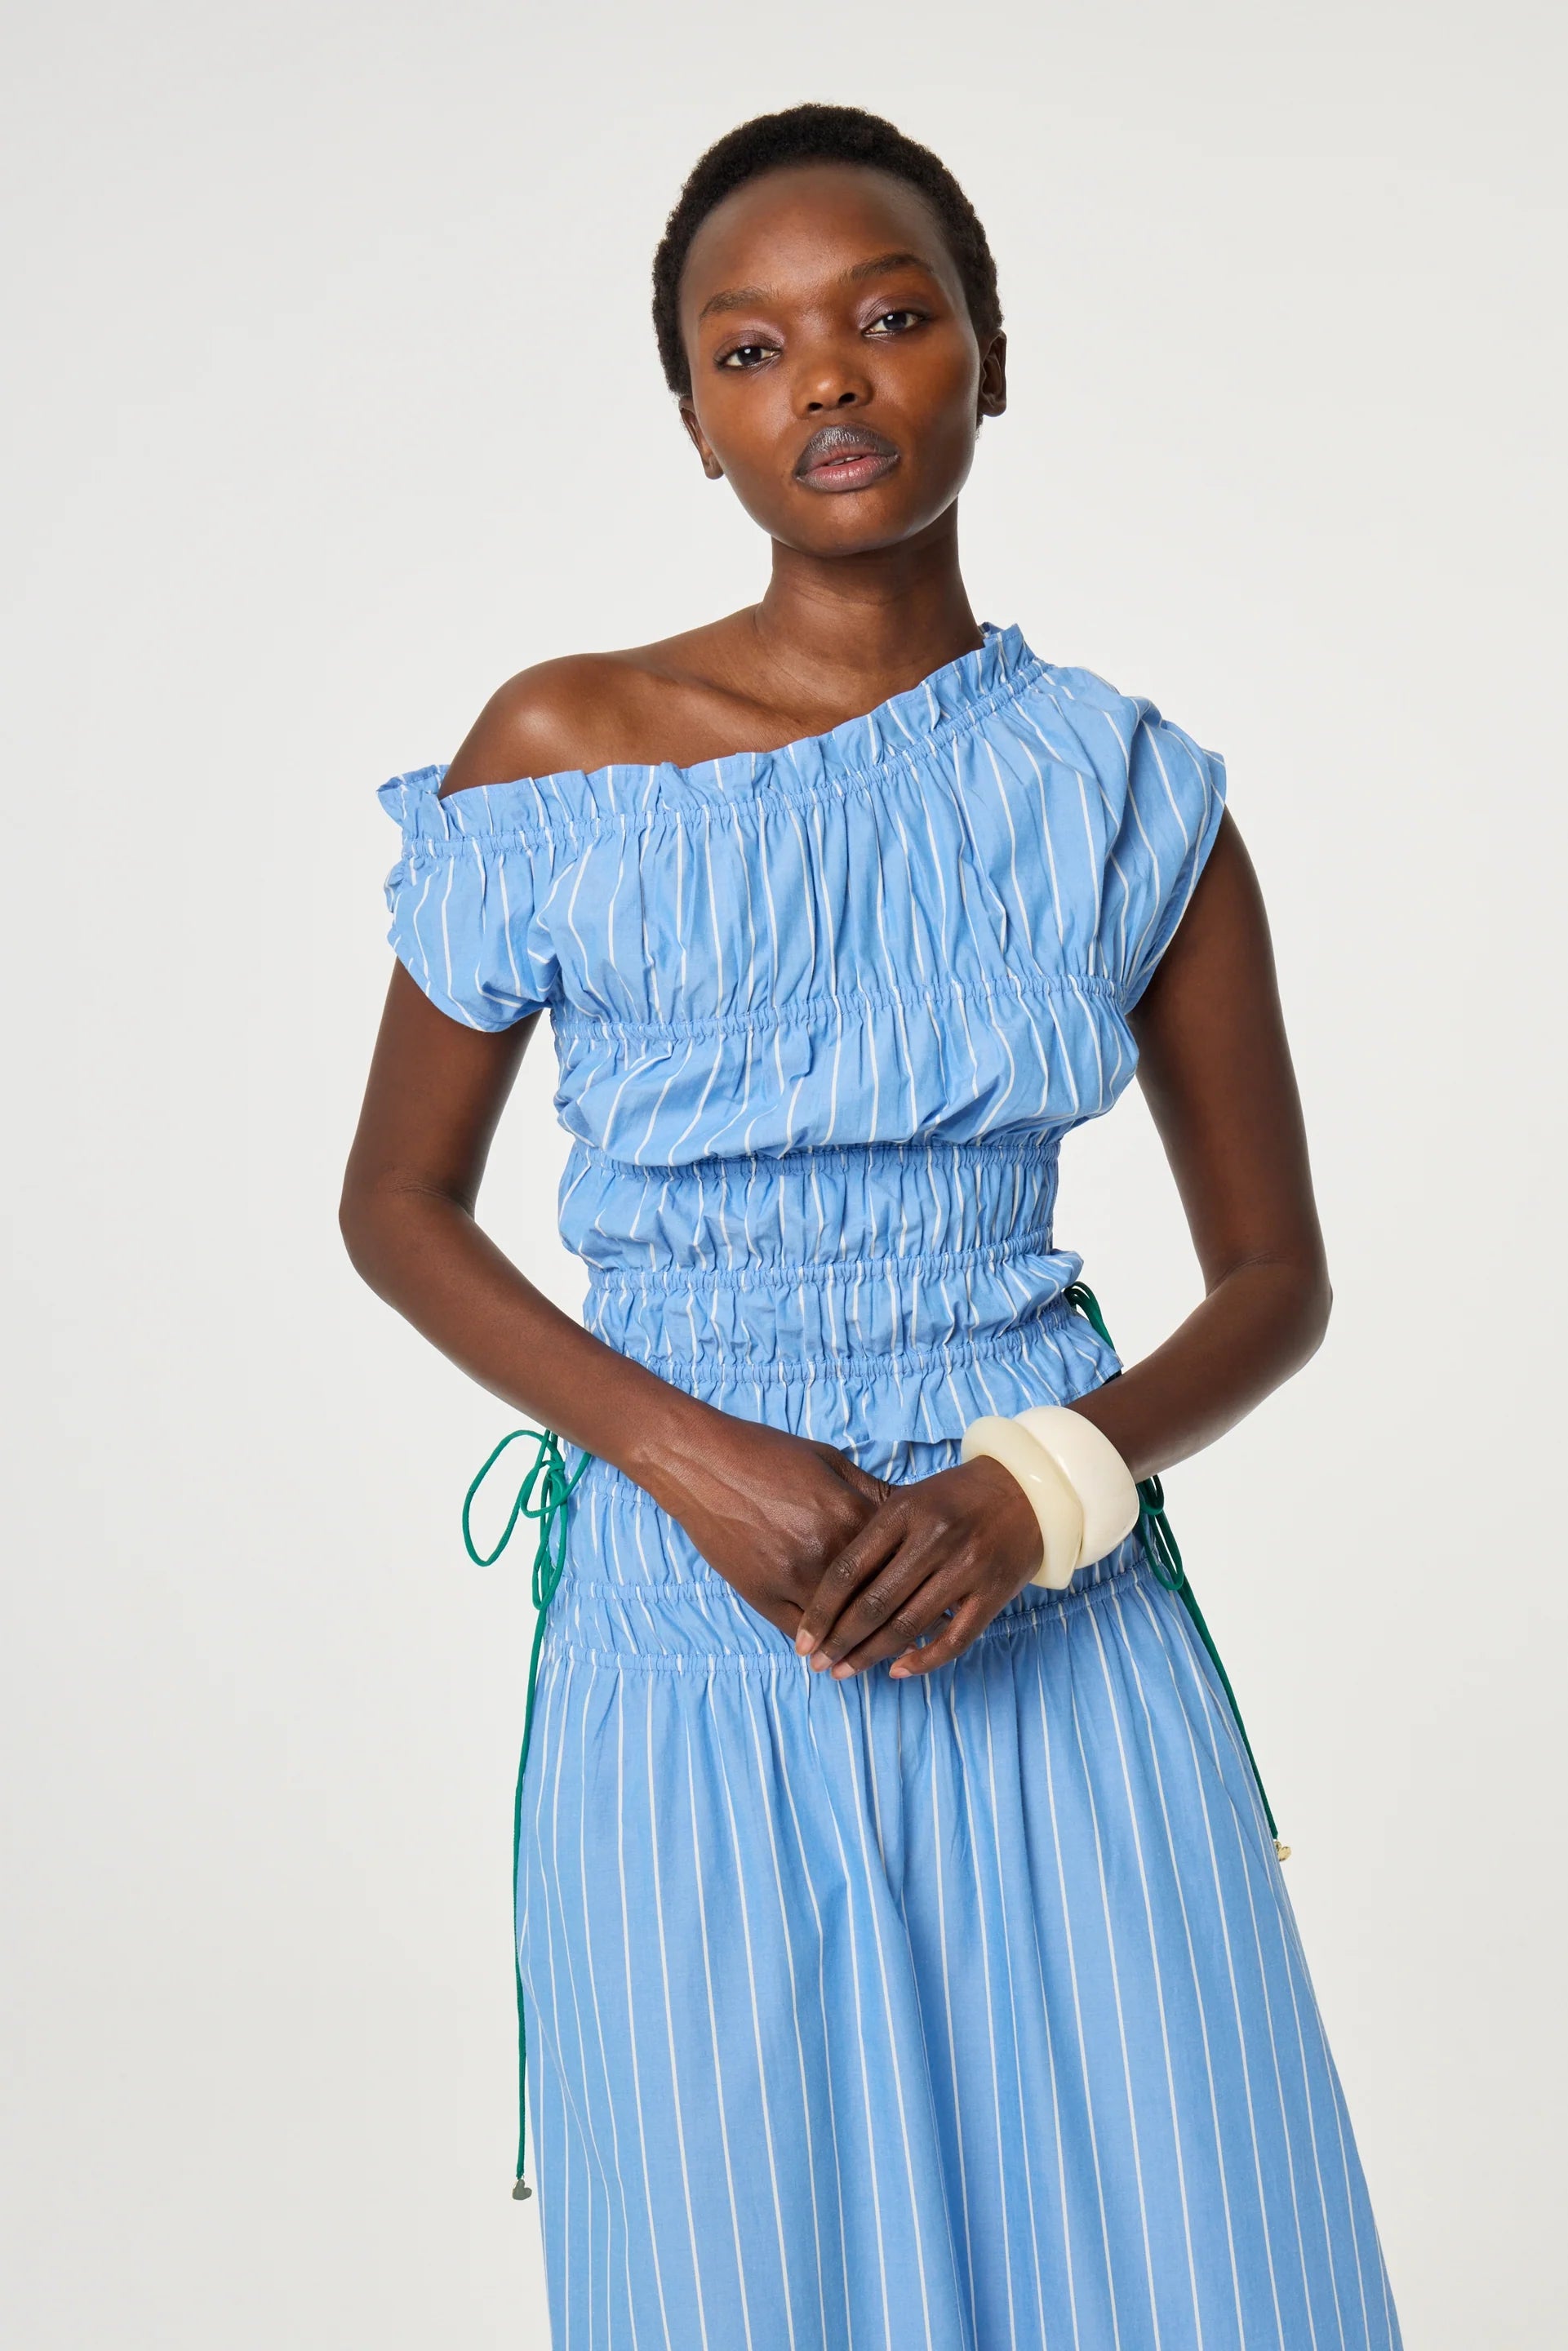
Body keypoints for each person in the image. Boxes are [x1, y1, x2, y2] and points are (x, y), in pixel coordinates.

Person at [340, 101, 1401, 2351]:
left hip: (1047, 1601)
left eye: (885, 320)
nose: (823, 381)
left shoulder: (1126, 792)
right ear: (699, 424)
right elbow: (397, 1206)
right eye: (750, 351)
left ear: (987, 359)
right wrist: (689, 1458)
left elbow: (1274, 1280)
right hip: (687, 1620)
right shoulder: (557, 747)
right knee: (746, 2267)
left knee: (1189, 2252)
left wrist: (1034, 1497)